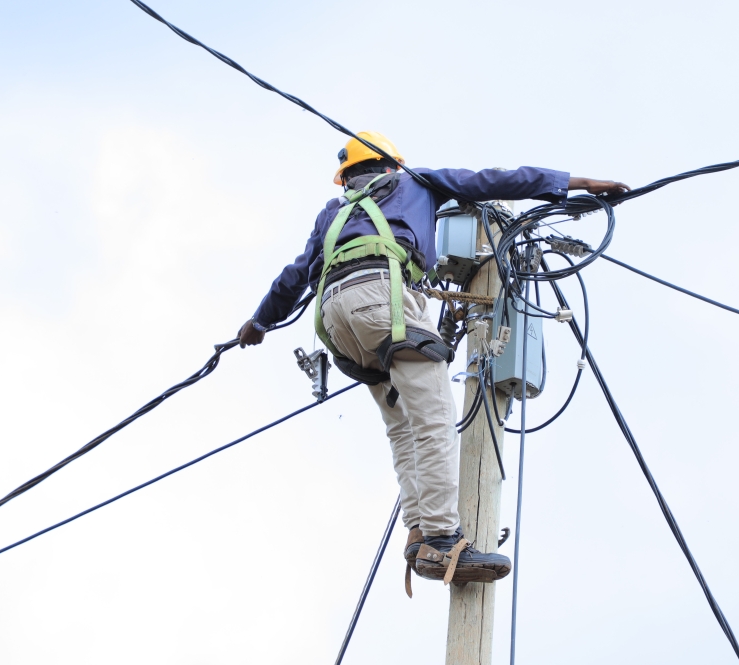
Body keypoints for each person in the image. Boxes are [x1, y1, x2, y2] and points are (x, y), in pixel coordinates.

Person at [237, 131, 627, 588]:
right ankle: (443, 539)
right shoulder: (417, 182)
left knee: (402, 425)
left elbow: (294, 277)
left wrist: (258, 323)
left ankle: (419, 528)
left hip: (336, 322)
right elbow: (496, 180)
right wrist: (580, 183)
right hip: (384, 300)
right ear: (392, 166)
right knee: (435, 418)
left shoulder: (333, 212)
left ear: (349, 177)